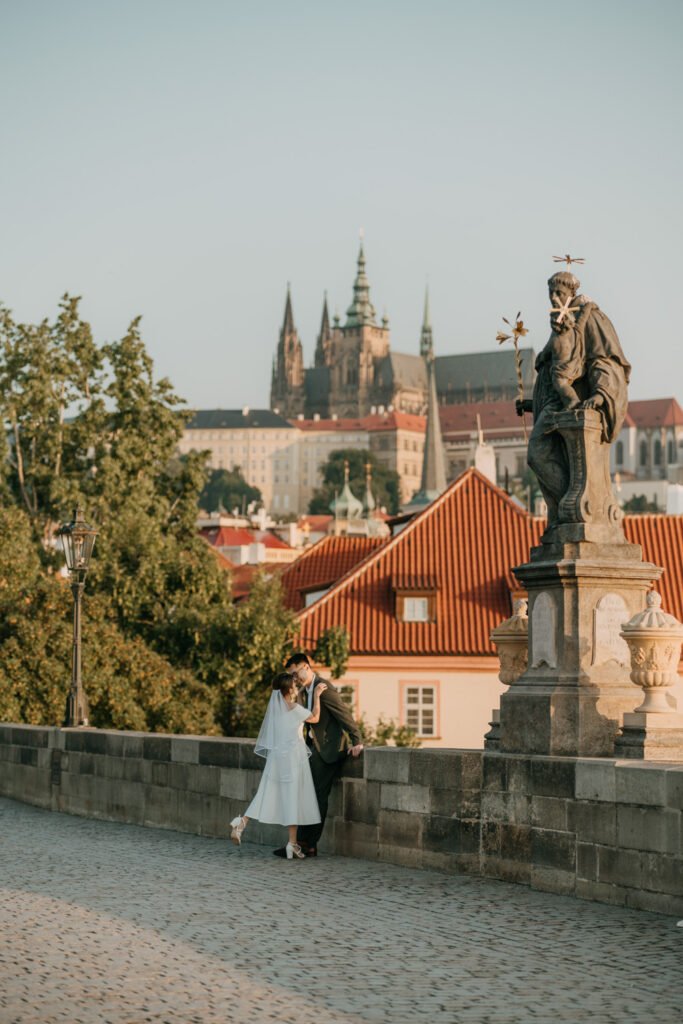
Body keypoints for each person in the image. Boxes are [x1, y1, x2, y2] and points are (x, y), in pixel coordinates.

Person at [517, 271, 631, 525]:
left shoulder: (591, 319)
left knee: (536, 453)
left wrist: (601, 395)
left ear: (571, 293)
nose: (554, 298)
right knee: (539, 455)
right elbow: (552, 375)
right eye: (551, 293)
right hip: (553, 406)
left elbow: (606, 361)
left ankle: (575, 507)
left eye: (559, 293)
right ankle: (567, 511)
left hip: (572, 408)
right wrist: (530, 404)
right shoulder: (562, 321)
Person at [273, 652, 363, 859]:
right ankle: (298, 843)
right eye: (291, 676)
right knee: (306, 796)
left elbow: (344, 714)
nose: (293, 679)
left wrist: (357, 740)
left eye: (295, 674)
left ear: (305, 666)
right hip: (311, 749)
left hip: (329, 751)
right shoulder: (305, 691)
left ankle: (308, 845)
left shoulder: (325, 688)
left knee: (318, 798)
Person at [229, 671, 327, 860]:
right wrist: (316, 696)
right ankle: (292, 844)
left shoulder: (275, 711)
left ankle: (241, 822)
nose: (297, 688)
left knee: (265, 793)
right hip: (294, 758)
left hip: (277, 757)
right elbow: (315, 717)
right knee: (293, 798)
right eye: (295, 686)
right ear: (290, 689)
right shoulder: (295, 709)